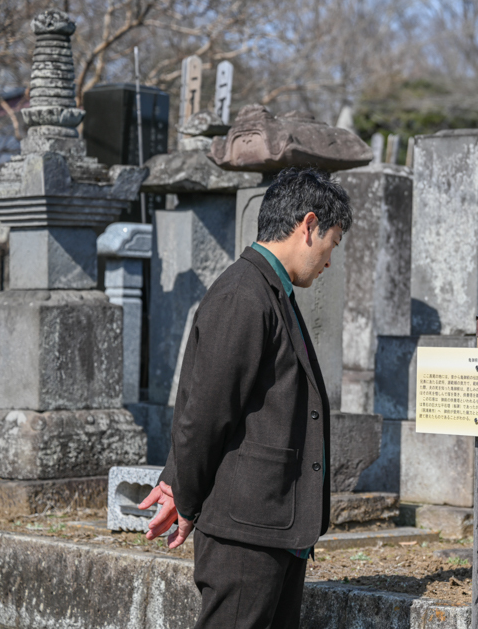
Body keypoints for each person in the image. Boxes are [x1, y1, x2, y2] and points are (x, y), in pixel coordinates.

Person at [138, 167, 351, 628]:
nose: (329, 261)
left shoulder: (270, 291)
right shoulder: (244, 293)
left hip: (272, 525)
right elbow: (204, 411)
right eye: (332, 243)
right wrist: (186, 498)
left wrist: (178, 482)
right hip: (245, 531)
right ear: (308, 226)